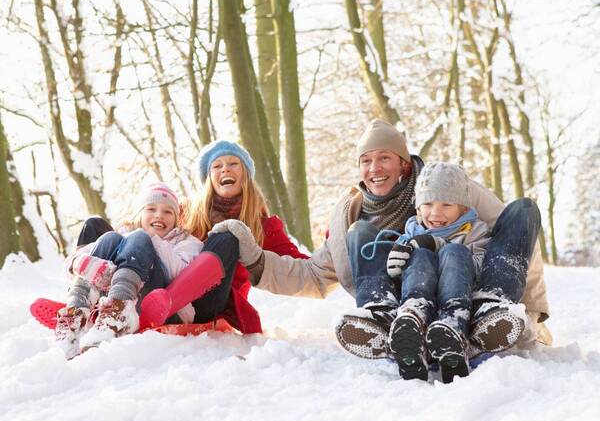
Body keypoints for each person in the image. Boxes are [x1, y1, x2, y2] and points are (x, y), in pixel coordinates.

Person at [212, 119, 551, 360]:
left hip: (463, 291)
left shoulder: (446, 187)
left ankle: (491, 312)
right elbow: (313, 276)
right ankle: (384, 317)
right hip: (405, 306)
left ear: (403, 163)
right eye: (366, 161)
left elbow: (515, 241)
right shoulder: (348, 214)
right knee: (360, 234)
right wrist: (255, 259)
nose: (375, 168)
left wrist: (532, 313)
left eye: (384, 158)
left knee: (522, 210)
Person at [139, 139, 309, 334]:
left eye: (233, 164)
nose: (225, 169)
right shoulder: (187, 212)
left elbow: (300, 268)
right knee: (96, 226)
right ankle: (109, 305)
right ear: (209, 178)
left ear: (245, 174)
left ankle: (166, 305)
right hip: (164, 288)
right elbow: (155, 229)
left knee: (230, 233)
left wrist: (334, 251)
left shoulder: (263, 226)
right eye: (217, 166)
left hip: (210, 303)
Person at [361, 162, 491, 382]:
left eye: (447, 204)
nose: (436, 213)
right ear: (418, 208)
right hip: (421, 300)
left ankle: (452, 332)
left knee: (454, 251)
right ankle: (412, 326)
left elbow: (480, 268)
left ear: (464, 208)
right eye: (428, 204)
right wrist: (396, 265)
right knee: (419, 255)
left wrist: (438, 244)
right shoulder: (411, 233)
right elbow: (398, 276)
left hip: (456, 304)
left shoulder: (475, 232)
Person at [55, 183, 204, 358]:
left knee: (138, 238)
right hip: (111, 299)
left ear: (176, 219)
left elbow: (180, 274)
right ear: (140, 214)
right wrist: (77, 262)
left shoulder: (186, 241)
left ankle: (120, 311)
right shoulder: (123, 235)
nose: (159, 215)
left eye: (167, 212)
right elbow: (73, 266)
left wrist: (148, 239)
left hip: (163, 301)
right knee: (109, 238)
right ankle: (76, 317)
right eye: (151, 209)